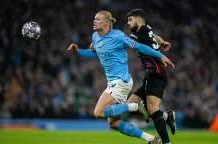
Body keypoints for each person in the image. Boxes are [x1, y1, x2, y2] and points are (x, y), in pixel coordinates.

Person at [67, 10, 174, 144]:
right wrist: (79, 51)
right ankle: (151, 139)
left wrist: (161, 55)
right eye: (94, 19)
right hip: (113, 82)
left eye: (98, 19)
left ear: (106, 23)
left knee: (98, 112)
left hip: (120, 81)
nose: (94, 21)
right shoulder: (95, 36)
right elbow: (98, 53)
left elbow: (140, 47)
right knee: (114, 123)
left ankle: (134, 107)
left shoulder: (118, 36)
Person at [126, 9, 176, 144]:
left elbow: (124, 41)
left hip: (156, 74)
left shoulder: (138, 34)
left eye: (130, 20)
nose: (128, 23)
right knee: (129, 105)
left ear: (139, 20)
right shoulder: (147, 30)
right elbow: (155, 37)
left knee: (152, 109)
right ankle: (166, 115)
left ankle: (167, 142)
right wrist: (163, 42)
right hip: (150, 76)